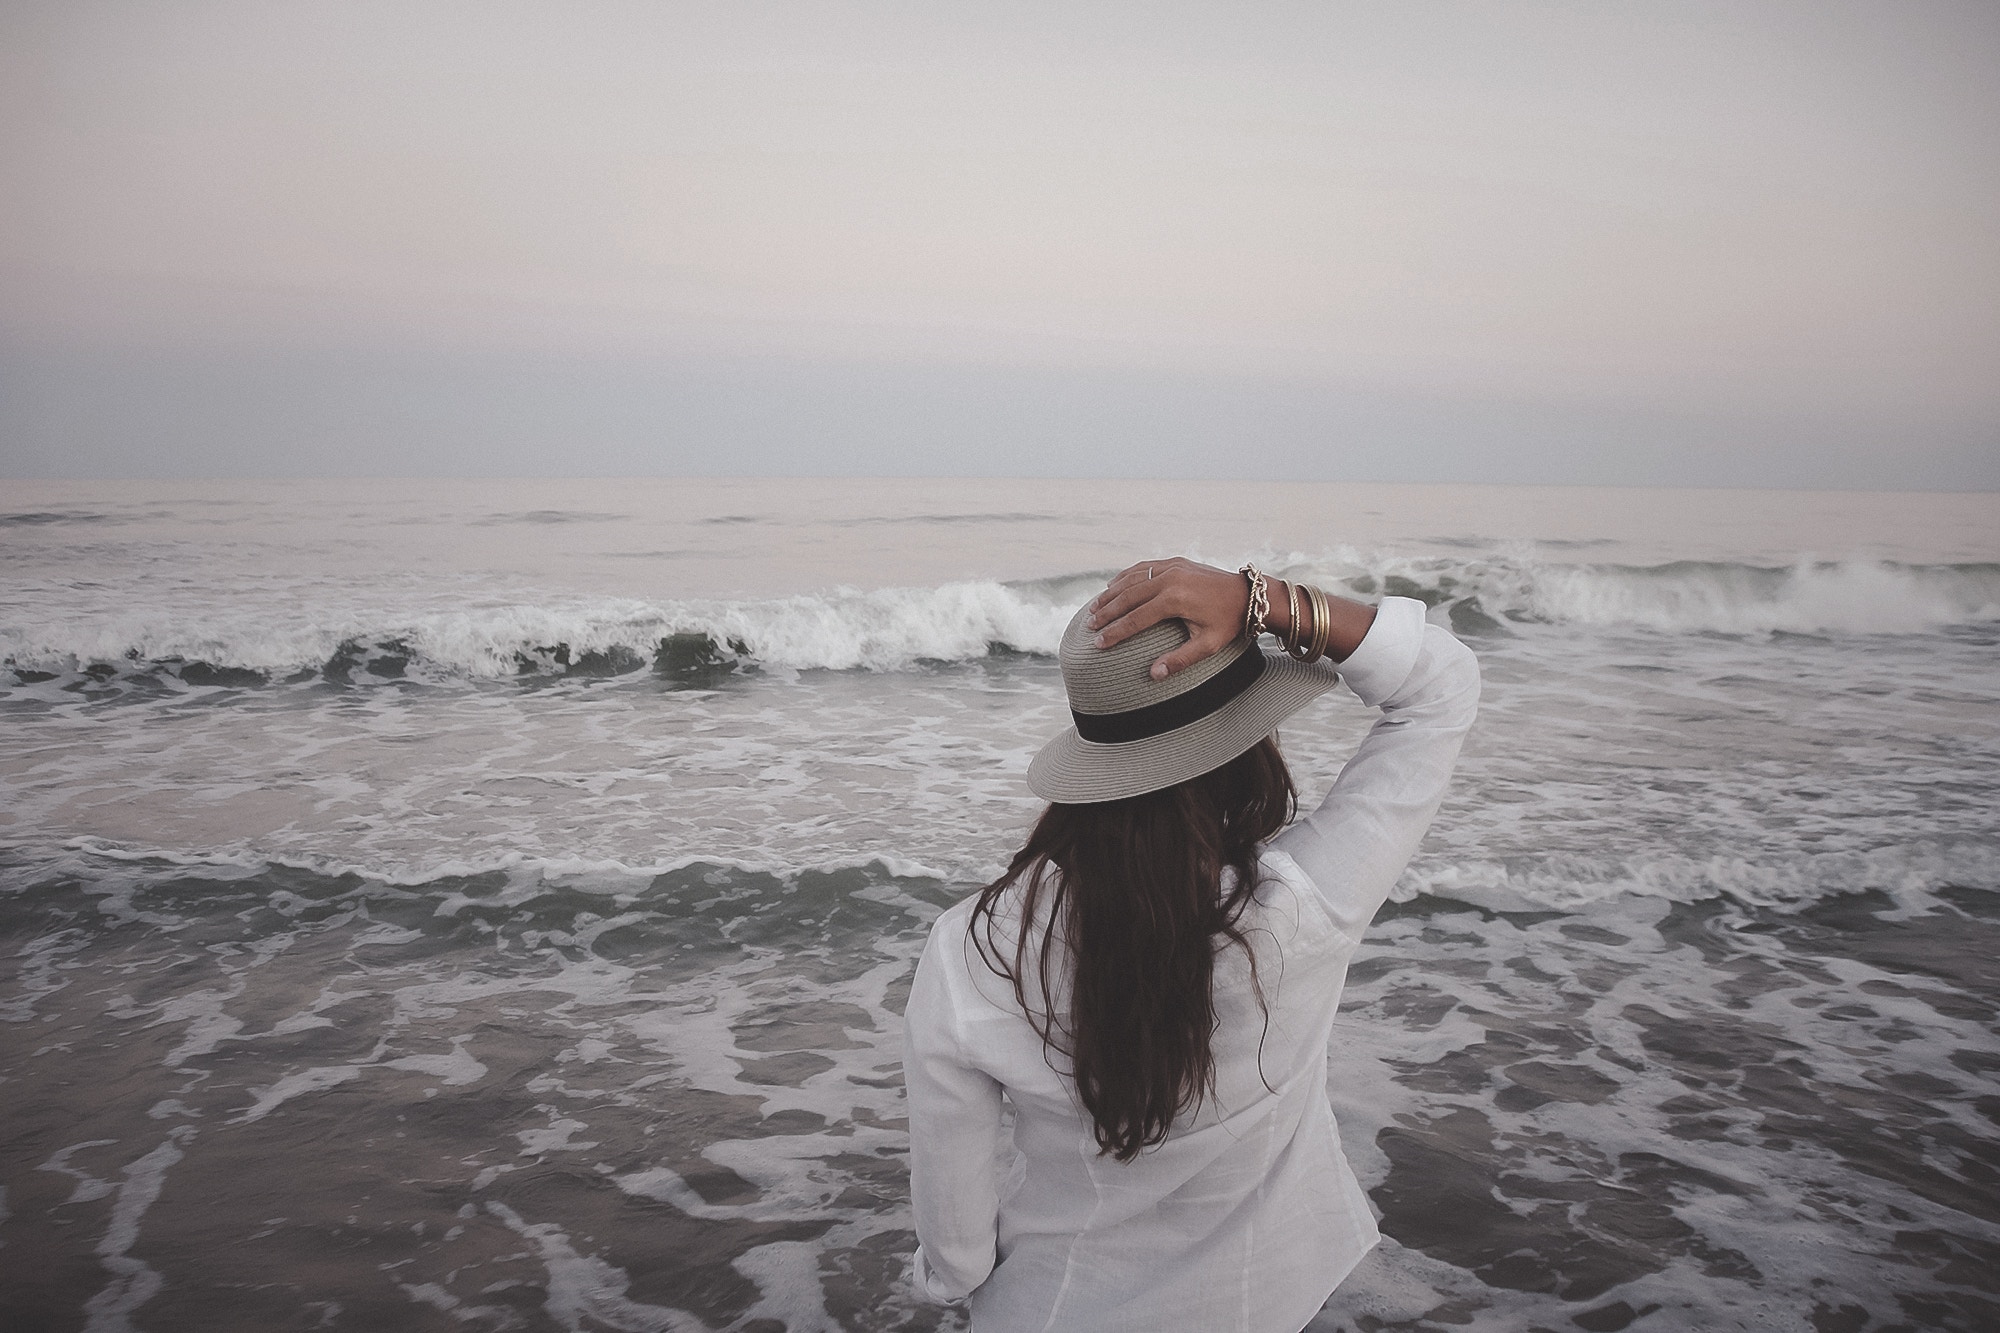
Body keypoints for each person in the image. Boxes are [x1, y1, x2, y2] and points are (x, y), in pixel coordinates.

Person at [902, 556, 1480, 1333]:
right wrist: (1261, 600)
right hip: (1263, 1302)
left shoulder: (972, 949)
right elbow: (1439, 686)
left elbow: (958, 1251)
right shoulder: (1305, 904)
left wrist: (946, 1282)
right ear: (1249, 746)